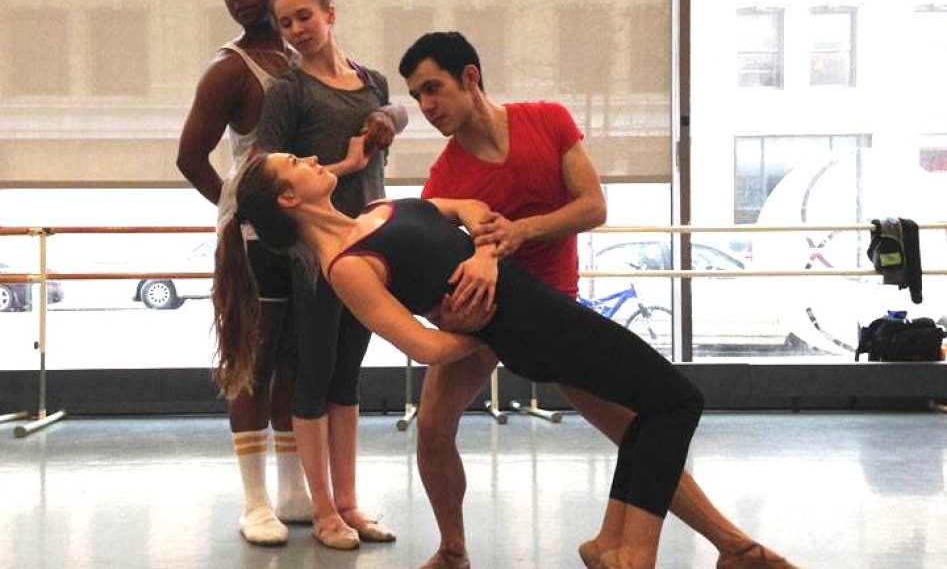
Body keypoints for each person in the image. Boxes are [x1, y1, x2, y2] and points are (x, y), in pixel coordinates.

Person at [397, 31, 803, 569]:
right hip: (492, 315)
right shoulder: (445, 179)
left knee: (638, 425)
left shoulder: (548, 121)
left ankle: (731, 546)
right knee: (431, 425)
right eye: (417, 96)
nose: (426, 106)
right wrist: (449, 314)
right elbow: (437, 265)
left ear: (470, 77)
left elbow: (593, 206)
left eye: (433, 88)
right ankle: (453, 550)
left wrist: (520, 232)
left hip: (554, 313)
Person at [218, 150, 706, 569]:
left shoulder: (376, 208)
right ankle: (632, 556)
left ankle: (611, 543)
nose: (311, 159)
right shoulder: (346, 267)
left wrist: (483, 252)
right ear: (288, 198)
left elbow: (466, 207)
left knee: (654, 410)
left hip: (534, 304)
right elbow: (423, 346)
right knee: (678, 402)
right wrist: (480, 332)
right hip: (528, 327)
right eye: (295, 162)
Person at [252, 0, 407, 551]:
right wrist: (342, 168)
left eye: (304, 17)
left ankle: (348, 502)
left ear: (330, 15)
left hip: (367, 243)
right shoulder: (287, 90)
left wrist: (393, 115)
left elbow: (392, 122)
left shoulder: (373, 82)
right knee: (314, 375)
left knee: (348, 376)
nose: (296, 30)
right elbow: (267, 175)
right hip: (316, 253)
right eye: (285, 22)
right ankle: (322, 510)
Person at [175, 0, 308, 546]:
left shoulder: (305, 55)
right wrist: (240, 212)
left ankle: (293, 490)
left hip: (307, 236)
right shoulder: (229, 69)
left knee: (295, 361)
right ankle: (255, 502)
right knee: (252, 361)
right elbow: (190, 157)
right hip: (253, 241)